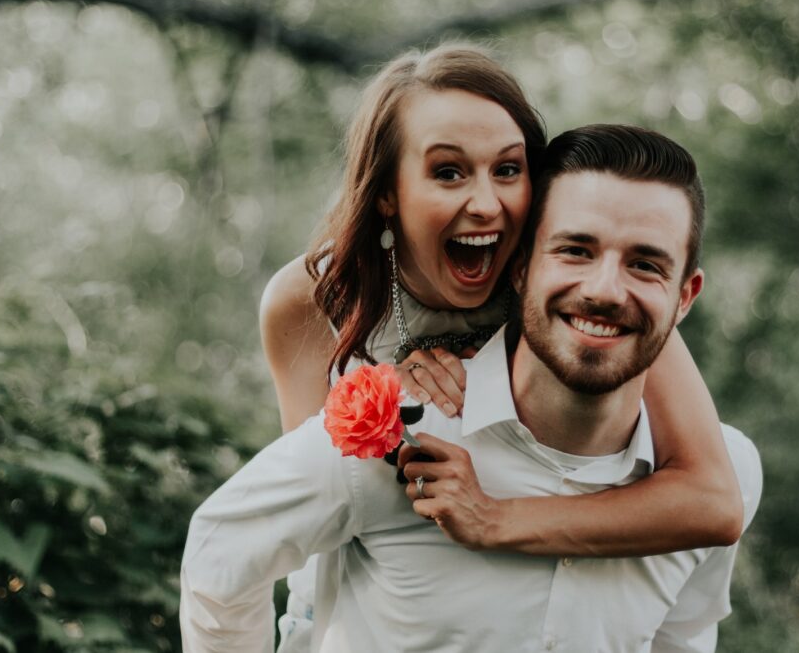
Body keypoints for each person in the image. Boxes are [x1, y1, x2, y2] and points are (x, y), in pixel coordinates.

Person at [181, 124, 763, 652]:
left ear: (685, 296)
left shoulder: (726, 471)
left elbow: (679, 639)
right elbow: (220, 556)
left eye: (645, 265)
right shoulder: (395, 437)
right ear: (519, 267)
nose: (605, 289)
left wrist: (497, 519)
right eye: (575, 250)